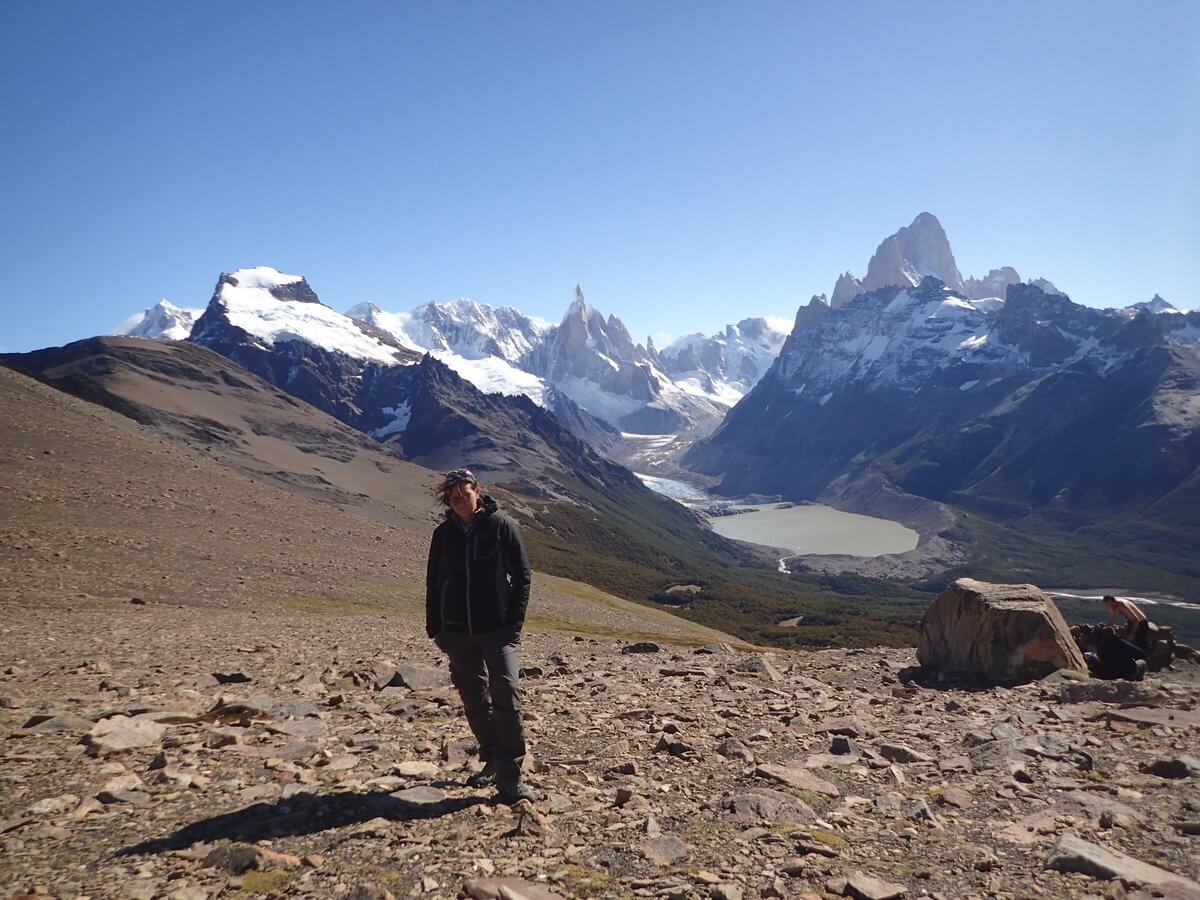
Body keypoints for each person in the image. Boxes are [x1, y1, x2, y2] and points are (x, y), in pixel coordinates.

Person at [426, 468, 535, 803]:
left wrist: (513, 625)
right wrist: (436, 628)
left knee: (507, 694)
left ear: (478, 491)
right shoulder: (443, 535)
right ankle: (491, 759)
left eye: (464, 494)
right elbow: (434, 581)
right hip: (457, 633)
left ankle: (510, 777)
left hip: (497, 631)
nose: (459, 501)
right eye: (453, 497)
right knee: (474, 700)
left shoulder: (502, 525)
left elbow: (523, 575)